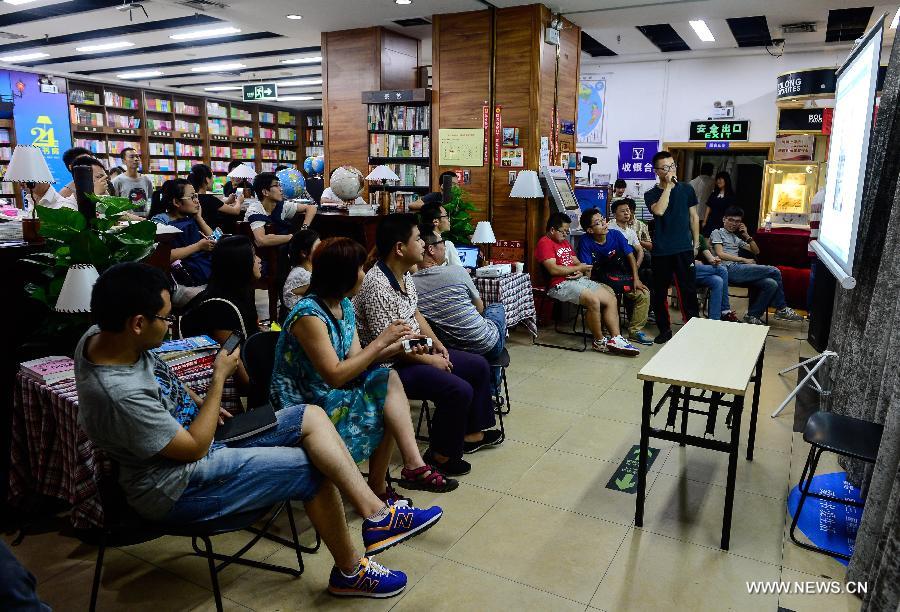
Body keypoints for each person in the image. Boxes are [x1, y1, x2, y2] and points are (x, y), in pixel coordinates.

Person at [75, 262, 443, 599]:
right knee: (310, 467)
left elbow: (161, 376)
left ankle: (376, 515)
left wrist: (198, 401)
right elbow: (192, 449)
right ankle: (350, 572)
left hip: (196, 441)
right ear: (137, 323)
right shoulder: (118, 393)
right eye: (165, 320)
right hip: (177, 483)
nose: (170, 326)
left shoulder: (104, 335)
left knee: (310, 416)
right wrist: (219, 378)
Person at [272, 237, 457, 502]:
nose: (364, 274)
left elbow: (358, 360)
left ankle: (408, 468)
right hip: (305, 405)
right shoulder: (309, 316)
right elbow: (335, 374)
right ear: (342, 274)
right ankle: (387, 482)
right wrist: (383, 340)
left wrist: (399, 347)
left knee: (388, 379)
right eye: (359, 269)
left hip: (332, 390)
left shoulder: (344, 305)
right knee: (386, 400)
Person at [354, 214, 502, 476]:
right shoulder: (377, 285)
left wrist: (437, 343)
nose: (424, 244)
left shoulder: (405, 274)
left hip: (414, 348)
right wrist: (430, 359)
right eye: (418, 239)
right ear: (399, 248)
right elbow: (389, 347)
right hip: (390, 365)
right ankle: (441, 455)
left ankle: (472, 434)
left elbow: (416, 314)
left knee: (478, 365)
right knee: (458, 389)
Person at [412, 225, 508, 387]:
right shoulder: (457, 271)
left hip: (452, 349)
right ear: (431, 249)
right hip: (487, 345)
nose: (446, 245)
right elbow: (479, 308)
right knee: (496, 308)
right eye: (442, 242)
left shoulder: (410, 285)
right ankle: (492, 382)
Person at [536, 211, 640, 356]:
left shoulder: (564, 242)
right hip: (559, 285)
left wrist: (579, 271)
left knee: (611, 297)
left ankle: (617, 338)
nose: (566, 234)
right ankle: (599, 341)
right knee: (593, 300)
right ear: (552, 230)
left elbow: (577, 262)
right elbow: (553, 270)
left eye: (567, 231)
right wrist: (579, 268)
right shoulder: (544, 243)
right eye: (563, 231)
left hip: (576, 279)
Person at [183, 235, 263, 393]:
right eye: (253, 256)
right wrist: (259, 394)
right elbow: (231, 355)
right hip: (224, 391)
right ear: (240, 264)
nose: (259, 260)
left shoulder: (242, 293)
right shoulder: (220, 308)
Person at [710, 206, 804, 324]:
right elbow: (720, 253)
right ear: (724, 219)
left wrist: (747, 235)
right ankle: (782, 308)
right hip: (727, 269)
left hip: (738, 269)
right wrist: (743, 259)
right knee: (774, 270)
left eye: (737, 221)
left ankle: (752, 315)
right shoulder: (717, 233)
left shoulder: (735, 237)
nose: (733, 223)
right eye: (731, 220)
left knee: (771, 284)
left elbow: (756, 251)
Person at [644, 150, 700, 344]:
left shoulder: (687, 189)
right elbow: (659, 210)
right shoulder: (651, 193)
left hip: (684, 248)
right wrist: (667, 187)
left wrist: (696, 243)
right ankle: (664, 330)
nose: (671, 170)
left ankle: (692, 328)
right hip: (662, 251)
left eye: (672, 166)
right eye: (665, 168)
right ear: (657, 171)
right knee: (659, 292)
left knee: (688, 291)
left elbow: (694, 216)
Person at [577, 209, 653, 346]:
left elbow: (631, 257)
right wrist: (588, 287)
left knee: (644, 293)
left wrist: (636, 279)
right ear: (589, 230)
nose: (604, 224)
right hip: (599, 278)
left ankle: (635, 331)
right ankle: (606, 332)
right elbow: (587, 268)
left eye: (603, 220)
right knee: (609, 296)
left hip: (619, 274)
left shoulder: (616, 235)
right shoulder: (585, 241)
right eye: (598, 223)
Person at [149, 178, 216, 286]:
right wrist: (198, 246)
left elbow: (216, 240)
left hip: (202, 269)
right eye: (192, 197)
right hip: (184, 279)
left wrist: (199, 218)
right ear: (176, 202)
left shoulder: (190, 218)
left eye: (196, 196)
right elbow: (162, 256)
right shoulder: (161, 222)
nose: (197, 201)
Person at [245, 172, 316, 248]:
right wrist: (294, 237)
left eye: (280, 185)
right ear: (265, 192)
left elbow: (311, 207)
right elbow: (261, 240)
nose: (281, 189)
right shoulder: (255, 210)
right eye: (276, 185)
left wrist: (304, 228)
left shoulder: (282, 205)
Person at [694, 234, 738, 322]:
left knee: (717, 281)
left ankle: (714, 319)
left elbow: (709, 257)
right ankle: (725, 310)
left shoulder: (699, 237)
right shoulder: (681, 235)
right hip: (682, 269)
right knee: (722, 270)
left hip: (698, 271)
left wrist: (714, 260)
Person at [189, 163, 243, 233]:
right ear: (207, 179)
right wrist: (239, 201)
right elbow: (235, 211)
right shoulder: (210, 199)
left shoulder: (192, 199)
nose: (213, 181)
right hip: (214, 234)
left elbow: (215, 205)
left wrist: (228, 201)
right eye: (212, 177)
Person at [282, 229, 320, 312]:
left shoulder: (305, 269)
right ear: (304, 253)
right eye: (318, 247)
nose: (322, 250)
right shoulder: (301, 274)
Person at [419, 201, 462, 266]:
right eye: (446, 216)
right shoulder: (447, 245)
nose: (449, 219)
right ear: (436, 221)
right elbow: (459, 272)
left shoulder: (418, 243)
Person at [112, 147, 154, 212]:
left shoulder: (146, 180)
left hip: (145, 219)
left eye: (137, 156)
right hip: (127, 220)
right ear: (124, 161)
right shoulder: (117, 181)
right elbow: (114, 203)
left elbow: (150, 200)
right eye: (131, 157)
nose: (136, 159)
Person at [608, 199, 646, 269]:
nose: (626, 213)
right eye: (622, 211)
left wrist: (636, 266)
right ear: (614, 215)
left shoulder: (631, 232)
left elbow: (640, 250)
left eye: (627, 210)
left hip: (630, 264)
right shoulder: (609, 229)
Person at [703, 171, 737, 237]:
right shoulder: (714, 194)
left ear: (726, 180)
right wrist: (704, 221)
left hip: (723, 223)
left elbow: (731, 212)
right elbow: (708, 207)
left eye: (720, 179)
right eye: (717, 179)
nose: (718, 181)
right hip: (711, 221)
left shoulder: (731, 196)